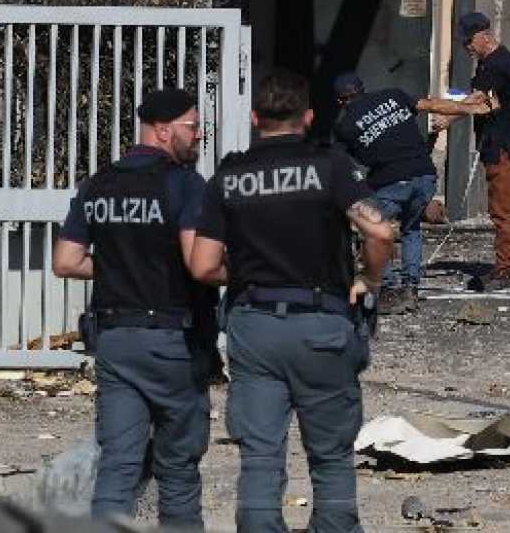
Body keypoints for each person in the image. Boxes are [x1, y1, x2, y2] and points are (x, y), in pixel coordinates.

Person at [187, 68, 397, 533]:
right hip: (322, 322)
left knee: (260, 454)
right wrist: (368, 278)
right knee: (331, 454)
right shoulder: (330, 167)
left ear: (255, 118)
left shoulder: (230, 176)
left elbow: (202, 266)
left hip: (255, 324)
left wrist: (246, 273)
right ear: (308, 116)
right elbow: (380, 231)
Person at [52, 87, 218, 527]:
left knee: (118, 464)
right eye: (193, 126)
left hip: (115, 341)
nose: (199, 135)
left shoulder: (98, 183)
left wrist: (117, 266)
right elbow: (196, 263)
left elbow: (65, 261)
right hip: (172, 341)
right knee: (178, 465)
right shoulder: (184, 184)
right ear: (163, 130)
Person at [419, 12, 510, 291]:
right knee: (502, 209)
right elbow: (491, 104)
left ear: (484, 36)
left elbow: (477, 101)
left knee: (503, 211)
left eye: (468, 41)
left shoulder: (495, 65)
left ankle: (507, 270)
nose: (466, 48)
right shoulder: (497, 60)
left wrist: (438, 111)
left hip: (509, 147)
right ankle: (505, 265)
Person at [332, 71, 437, 313]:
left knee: (372, 228)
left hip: (393, 183)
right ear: (363, 88)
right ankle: (410, 288)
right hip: (425, 177)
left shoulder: (345, 127)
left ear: (340, 101)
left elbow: (339, 163)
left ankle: (388, 289)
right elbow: (428, 105)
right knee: (411, 228)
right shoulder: (393, 96)